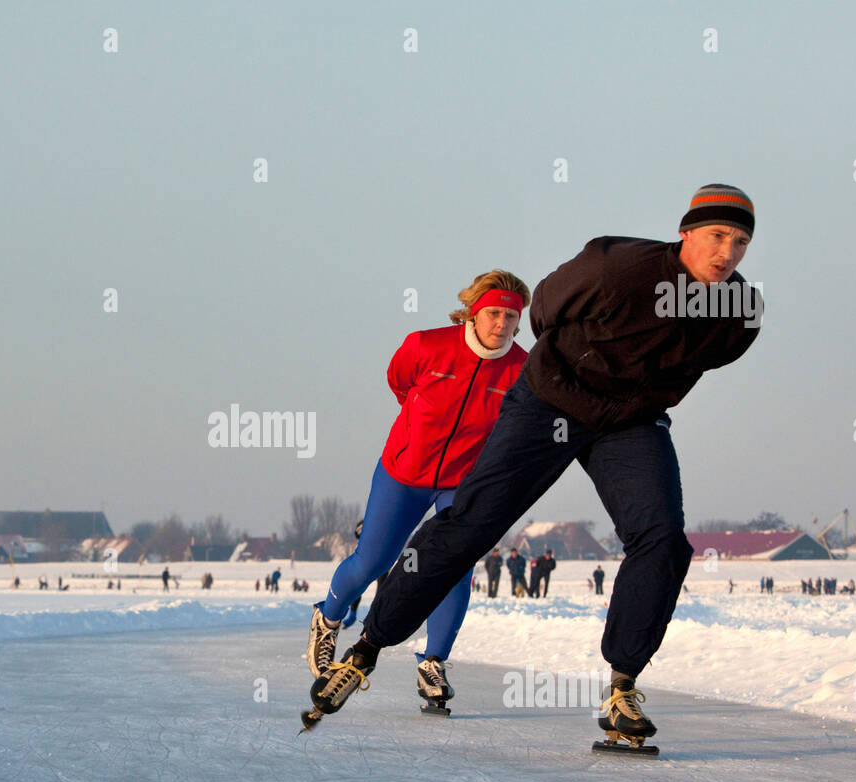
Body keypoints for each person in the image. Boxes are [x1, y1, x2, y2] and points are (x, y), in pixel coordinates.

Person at [309, 185, 761, 748]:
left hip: (630, 423)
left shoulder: (740, 312)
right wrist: (580, 370)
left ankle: (622, 687)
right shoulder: (614, 265)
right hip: (552, 402)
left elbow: (702, 359)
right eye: (717, 235)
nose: (729, 252)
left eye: (741, 241)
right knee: (472, 522)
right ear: (686, 232)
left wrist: (633, 397)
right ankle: (368, 649)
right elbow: (546, 307)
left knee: (663, 539)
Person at [306, 269, 530, 715]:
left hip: (462, 483)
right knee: (372, 561)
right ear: (473, 311)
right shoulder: (426, 346)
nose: (501, 324)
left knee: (453, 569)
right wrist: (417, 434)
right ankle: (328, 617)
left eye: (510, 316)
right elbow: (399, 383)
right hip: (403, 473)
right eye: (493, 313)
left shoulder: (522, 369)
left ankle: (433, 662)